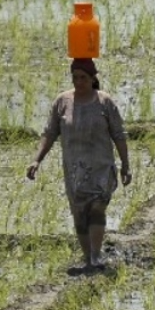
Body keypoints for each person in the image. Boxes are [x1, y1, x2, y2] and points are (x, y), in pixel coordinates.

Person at [26, 58, 131, 272]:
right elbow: (50, 133)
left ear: (93, 79)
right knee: (80, 213)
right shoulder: (63, 102)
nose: (79, 82)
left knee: (97, 209)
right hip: (75, 169)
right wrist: (36, 159)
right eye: (75, 78)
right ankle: (87, 257)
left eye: (83, 78)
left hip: (101, 167)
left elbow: (118, 135)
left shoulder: (104, 102)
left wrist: (126, 165)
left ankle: (95, 255)